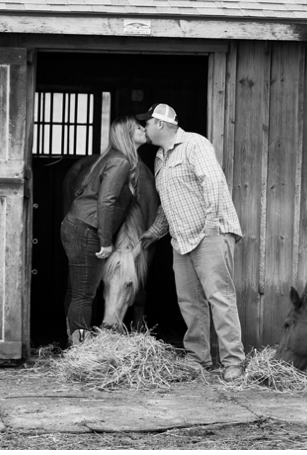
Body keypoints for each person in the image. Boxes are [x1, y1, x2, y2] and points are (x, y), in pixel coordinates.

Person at [137, 103, 246, 381]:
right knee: (190, 302)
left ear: (160, 123)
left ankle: (233, 361)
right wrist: (154, 232)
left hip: (209, 234)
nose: (144, 128)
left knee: (219, 298)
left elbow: (213, 182)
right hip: (182, 240)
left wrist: (211, 225)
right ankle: (199, 358)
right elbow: (168, 203)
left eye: (147, 123)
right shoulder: (159, 157)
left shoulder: (195, 144)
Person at [61, 115, 152, 346]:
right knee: (83, 294)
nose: (143, 128)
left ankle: (76, 342)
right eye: (137, 127)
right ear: (127, 135)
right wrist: (105, 242)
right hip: (87, 228)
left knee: (81, 291)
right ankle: (80, 349)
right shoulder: (121, 162)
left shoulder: (116, 159)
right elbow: (107, 201)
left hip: (84, 225)